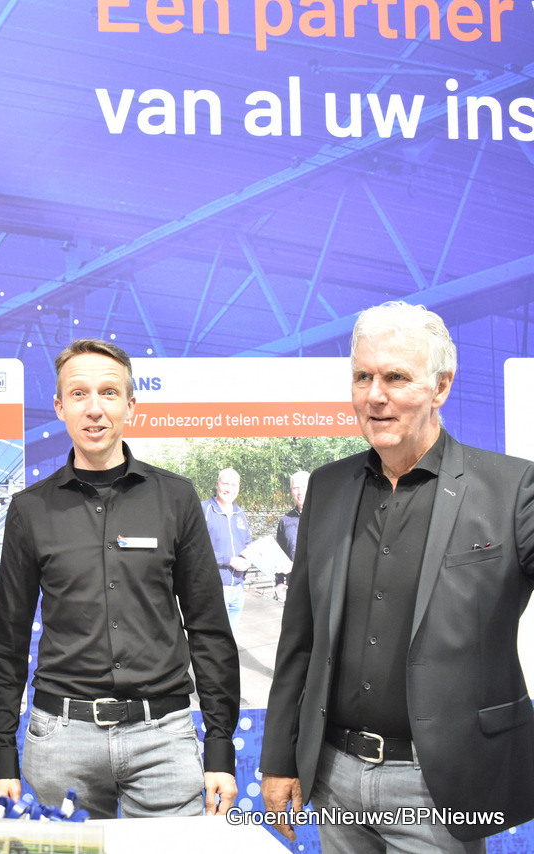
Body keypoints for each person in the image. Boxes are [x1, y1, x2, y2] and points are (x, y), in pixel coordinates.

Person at [261, 301, 534, 851]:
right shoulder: (328, 487)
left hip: (441, 785)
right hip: (333, 777)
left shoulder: (512, 489)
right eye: (362, 377)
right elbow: (300, 639)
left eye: (395, 377)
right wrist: (279, 758)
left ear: (441, 386)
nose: (375, 396)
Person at [0, 338, 239, 819]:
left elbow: (208, 628)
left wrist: (220, 746)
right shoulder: (30, 509)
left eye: (109, 393)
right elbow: (7, 640)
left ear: (131, 405)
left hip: (163, 740)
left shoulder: (176, 498)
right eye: (79, 394)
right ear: (60, 407)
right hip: (61, 742)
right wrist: (1, 755)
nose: (94, 408)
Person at [202, 468, 253, 629]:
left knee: (231, 638)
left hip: (238, 588)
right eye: (225, 484)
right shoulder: (203, 510)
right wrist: (229, 560)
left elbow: (247, 543)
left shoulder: (240, 513)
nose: (229, 489)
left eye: (234, 485)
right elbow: (197, 549)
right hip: (214, 587)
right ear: (217, 485)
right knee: (215, 637)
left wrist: (249, 558)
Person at [273, 471, 308, 601]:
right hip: (293, 587)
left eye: (303, 487)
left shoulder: (324, 519)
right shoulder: (285, 521)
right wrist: (279, 582)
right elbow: (279, 555)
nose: (299, 492)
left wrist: (296, 566)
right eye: (295, 488)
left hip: (318, 586)